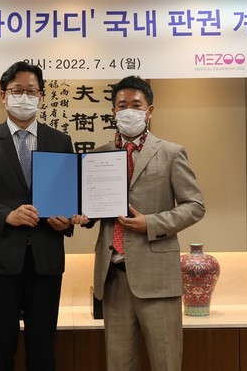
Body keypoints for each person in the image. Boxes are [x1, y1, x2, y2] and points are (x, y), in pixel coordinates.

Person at [73, 75, 205, 371]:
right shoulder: (98, 156)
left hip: (157, 279)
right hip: (113, 278)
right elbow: (93, 207)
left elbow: (195, 206)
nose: (128, 111)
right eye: (122, 106)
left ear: (150, 110)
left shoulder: (171, 153)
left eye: (136, 105)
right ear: (113, 111)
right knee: (119, 365)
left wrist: (151, 223)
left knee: (166, 364)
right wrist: (83, 215)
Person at [0, 61, 75, 371]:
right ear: (3, 96)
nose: (25, 97)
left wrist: (66, 222)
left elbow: (68, 199)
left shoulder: (60, 142)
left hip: (46, 261)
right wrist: (6, 215)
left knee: (43, 351)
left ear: (41, 96)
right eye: (17, 90)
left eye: (31, 91)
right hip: (0, 262)